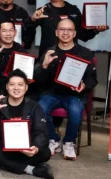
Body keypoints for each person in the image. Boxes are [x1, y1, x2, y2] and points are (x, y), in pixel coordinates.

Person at [34, 18, 97, 160]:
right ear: (56, 32)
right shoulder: (49, 52)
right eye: (62, 29)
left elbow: (92, 79)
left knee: (75, 111)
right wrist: (44, 65)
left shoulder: (85, 53)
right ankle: (53, 138)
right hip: (51, 93)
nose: (66, 33)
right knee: (41, 107)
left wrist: (84, 85)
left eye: (69, 30)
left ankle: (69, 142)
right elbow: (38, 80)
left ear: (74, 33)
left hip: (74, 95)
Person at [0, 70, 53, 179]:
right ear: (7, 87)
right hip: (6, 148)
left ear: (26, 87)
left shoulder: (34, 106)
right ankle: (30, 169)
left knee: (45, 152)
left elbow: (41, 132)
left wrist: (35, 147)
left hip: (26, 148)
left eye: (20, 85)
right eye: (12, 84)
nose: (16, 88)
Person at [31, 0, 109, 57]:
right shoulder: (42, 11)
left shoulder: (73, 10)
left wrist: (96, 30)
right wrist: (33, 19)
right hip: (48, 56)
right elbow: (27, 29)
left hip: (70, 57)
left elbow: (83, 35)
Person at [0, 20, 25, 98]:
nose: (8, 34)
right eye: (4, 31)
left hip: (17, 89)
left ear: (15, 32)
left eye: (11, 30)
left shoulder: (20, 50)